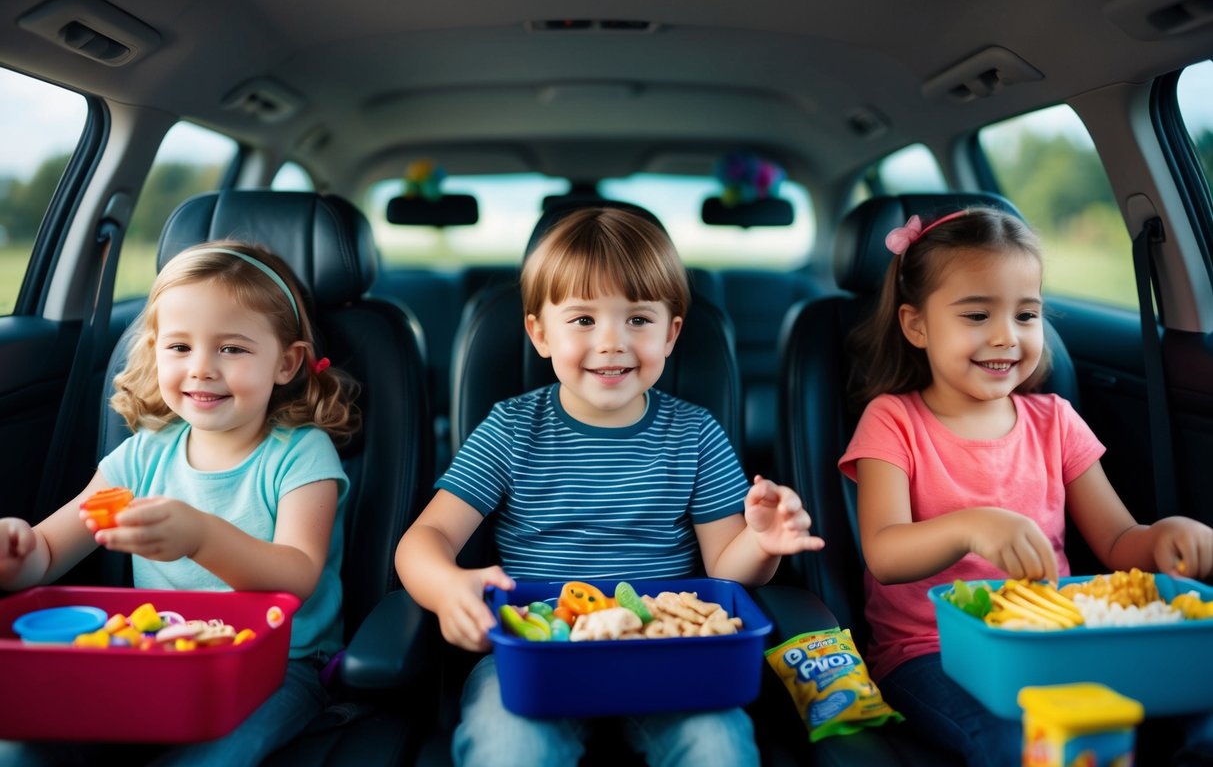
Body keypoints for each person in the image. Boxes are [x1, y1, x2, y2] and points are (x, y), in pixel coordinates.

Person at [395, 206, 825, 766]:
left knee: (717, 745)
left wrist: (762, 543)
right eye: (583, 321)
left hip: (669, 649)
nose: (612, 343)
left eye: (638, 320)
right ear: (539, 333)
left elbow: (727, 572)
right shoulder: (510, 428)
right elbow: (424, 538)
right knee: (506, 746)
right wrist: (446, 585)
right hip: (540, 649)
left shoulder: (695, 433)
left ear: (671, 334)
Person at [838, 207, 1213, 767]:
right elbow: (885, 553)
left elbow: (1117, 542)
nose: (1005, 337)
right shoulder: (892, 421)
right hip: (932, 653)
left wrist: (1164, 539)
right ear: (917, 325)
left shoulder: (1055, 420)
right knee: (1026, 744)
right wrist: (972, 525)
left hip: (1057, 639)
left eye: (1026, 314)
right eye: (976, 315)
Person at [0, 240, 359, 766]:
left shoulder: (301, 455)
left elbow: (297, 575)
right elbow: (50, 552)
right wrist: (18, 551)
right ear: (153, 349)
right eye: (179, 347)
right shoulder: (140, 458)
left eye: (232, 348)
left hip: (280, 664)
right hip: (153, 654)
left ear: (286, 363)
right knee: (23, 749)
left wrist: (200, 537)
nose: (202, 369)